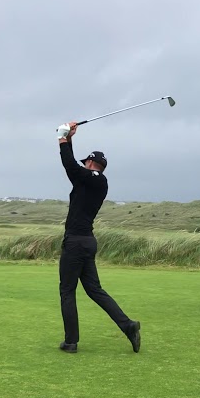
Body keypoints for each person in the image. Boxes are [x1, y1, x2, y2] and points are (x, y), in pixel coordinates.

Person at [54, 120, 141, 354]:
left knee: (67, 291)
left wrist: (62, 138)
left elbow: (71, 167)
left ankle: (71, 341)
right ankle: (128, 326)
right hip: (86, 242)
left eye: (87, 162)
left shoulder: (96, 179)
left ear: (92, 163)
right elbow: (73, 169)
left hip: (76, 243)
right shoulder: (92, 181)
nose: (84, 165)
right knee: (94, 290)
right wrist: (70, 137)